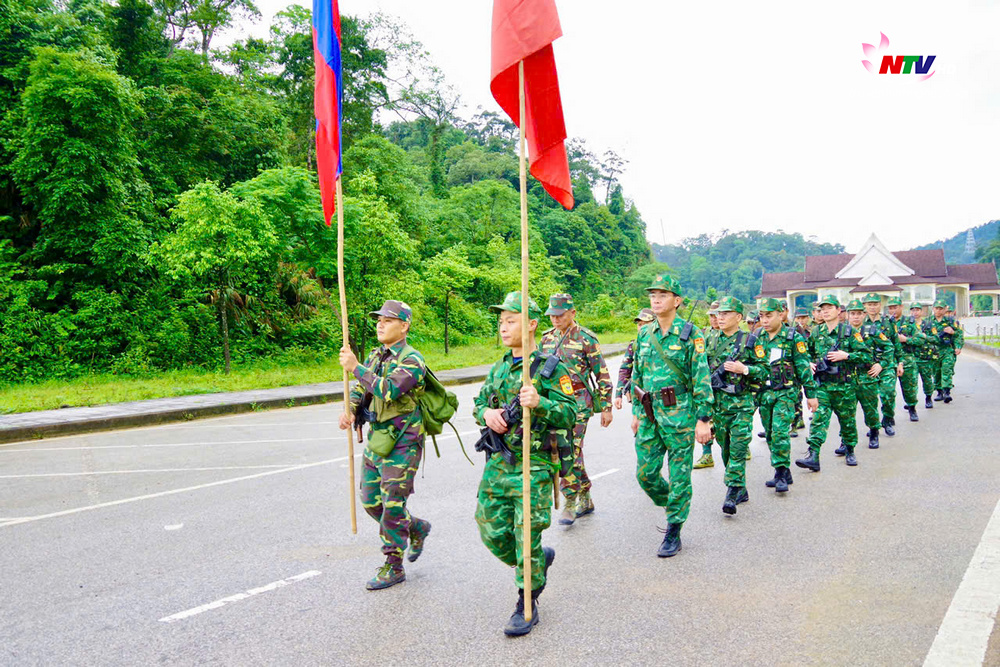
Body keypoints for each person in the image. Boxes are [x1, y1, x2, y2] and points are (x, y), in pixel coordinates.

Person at [473, 291, 577, 636]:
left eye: (511, 320)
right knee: (491, 531)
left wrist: (540, 402)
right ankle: (536, 563)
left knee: (525, 535)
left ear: (531, 324)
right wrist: (486, 413)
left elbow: (571, 412)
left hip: (534, 465)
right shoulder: (501, 366)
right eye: (501, 321)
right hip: (500, 463)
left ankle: (527, 602)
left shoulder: (550, 368)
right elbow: (478, 403)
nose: (503, 327)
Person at [339, 300, 431, 591]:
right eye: (378, 319)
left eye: (388, 320)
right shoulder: (376, 355)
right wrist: (352, 409)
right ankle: (416, 527)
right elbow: (361, 389)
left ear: (404, 326)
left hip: (404, 441)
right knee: (370, 501)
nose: (380, 324)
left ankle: (393, 565)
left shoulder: (412, 360)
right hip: (379, 439)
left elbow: (389, 389)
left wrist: (355, 368)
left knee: (392, 503)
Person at [630, 274, 713, 557]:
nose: (656, 299)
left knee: (679, 476)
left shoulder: (691, 334)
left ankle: (674, 527)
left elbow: (701, 378)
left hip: (680, 414)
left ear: (676, 301)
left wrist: (703, 419)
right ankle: (674, 504)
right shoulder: (644, 333)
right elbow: (637, 374)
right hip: (651, 413)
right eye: (653, 294)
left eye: (663, 295)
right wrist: (637, 411)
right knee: (645, 474)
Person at [539, 293, 614, 525]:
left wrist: (606, 407)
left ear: (573, 313)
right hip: (554, 402)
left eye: (560, 315)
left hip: (579, 401)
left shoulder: (586, 339)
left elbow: (602, 374)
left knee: (569, 448)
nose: (555, 319)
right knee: (566, 450)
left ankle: (569, 501)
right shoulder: (546, 339)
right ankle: (586, 495)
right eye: (552, 315)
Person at [704, 296, 769, 513]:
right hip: (719, 403)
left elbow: (766, 371)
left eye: (726, 313)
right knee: (725, 447)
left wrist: (745, 370)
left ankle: (731, 491)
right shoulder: (709, 339)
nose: (720, 317)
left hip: (741, 403)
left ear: (738, 317)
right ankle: (740, 487)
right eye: (718, 314)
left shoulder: (750, 341)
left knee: (739, 448)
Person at [796, 295, 872, 471]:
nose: (825, 311)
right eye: (823, 309)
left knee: (847, 420)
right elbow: (806, 352)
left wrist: (847, 356)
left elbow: (867, 356)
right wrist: (809, 362)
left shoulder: (849, 332)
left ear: (839, 311)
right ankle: (813, 454)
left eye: (830, 308)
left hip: (845, 386)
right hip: (823, 385)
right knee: (819, 418)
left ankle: (850, 449)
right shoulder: (816, 332)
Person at [757, 298, 818, 492]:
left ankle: (781, 472)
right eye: (762, 316)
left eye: (769, 316)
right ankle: (784, 470)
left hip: (786, 392)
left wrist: (811, 394)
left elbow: (803, 366)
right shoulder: (757, 336)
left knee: (780, 432)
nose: (765, 320)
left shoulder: (792, 337)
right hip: (765, 393)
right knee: (769, 433)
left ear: (780, 315)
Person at [847, 299, 891, 450]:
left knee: (870, 409)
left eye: (859, 313)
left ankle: (874, 433)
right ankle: (845, 441)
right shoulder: (842, 332)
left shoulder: (871, 331)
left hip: (867, 376)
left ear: (864, 314)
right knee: (847, 412)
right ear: (848, 315)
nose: (856, 317)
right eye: (852, 313)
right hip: (848, 378)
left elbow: (889, 347)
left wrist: (881, 364)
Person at [861, 293, 901, 436]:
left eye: (875, 304)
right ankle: (874, 425)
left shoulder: (888, 322)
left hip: (886, 364)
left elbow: (895, 343)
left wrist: (900, 363)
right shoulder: (860, 322)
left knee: (889, 393)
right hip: (867, 366)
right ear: (864, 306)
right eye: (869, 304)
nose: (872, 307)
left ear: (880, 305)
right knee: (870, 399)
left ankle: (888, 419)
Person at [695, 301, 722, 469]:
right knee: (706, 419)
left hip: (728, 386)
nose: (713, 319)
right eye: (711, 316)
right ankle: (707, 454)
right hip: (708, 384)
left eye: (716, 315)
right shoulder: (703, 335)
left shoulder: (735, 336)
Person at [890, 299, 926, 422]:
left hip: (907, 359)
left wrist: (906, 340)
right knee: (888, 391)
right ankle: (889, 416)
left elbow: (920, 340)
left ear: (901, 307)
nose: (892, 310)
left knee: (909, 388)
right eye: (890, 308)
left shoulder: (909, 322)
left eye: (895, 307)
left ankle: (912, 408)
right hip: (890, 360)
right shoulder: (885, 323)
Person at [615, 308, 656, 410]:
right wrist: (618, 394)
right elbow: (625, 369)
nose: (641, 327)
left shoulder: (663, 343)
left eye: (645, 324)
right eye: (640, 324)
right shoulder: (634, 345)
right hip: (641, 396)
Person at [927, 299, 962, 403]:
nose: (938, 311)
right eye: (937, 308)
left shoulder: (950, 322)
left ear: (944, 310)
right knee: (936, 372)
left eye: (941, 309)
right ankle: (939, 391)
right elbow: (923, 336)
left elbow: (959, 334)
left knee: (946, 369)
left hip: (947, 349)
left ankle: (947, 392)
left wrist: (957, 344)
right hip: (934, 350)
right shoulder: (928, 322)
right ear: (933, 309)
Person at [913, 304, 939, 409]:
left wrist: (925, 337)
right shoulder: (907, 325)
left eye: (917, 310)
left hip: (925, 357)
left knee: (927, 380)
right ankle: (911, 402)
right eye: (913, 310)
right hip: (912, 357)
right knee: (911, 382)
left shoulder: (928, 324)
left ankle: (928, 397)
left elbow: (936, 339)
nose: (915, 312)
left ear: (921, 312)